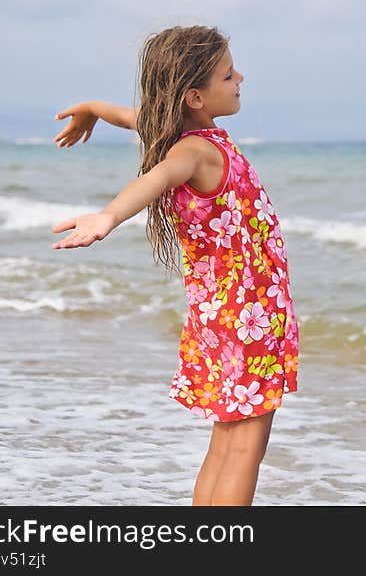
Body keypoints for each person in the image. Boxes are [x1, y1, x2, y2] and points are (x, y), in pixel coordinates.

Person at [49, 25, 299, 506]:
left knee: (226, 441)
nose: (240, 78)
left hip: (218, 316)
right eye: (228, 75)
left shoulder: (177, 129)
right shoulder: (194, 151)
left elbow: (131, 116)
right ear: (195, 97)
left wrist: (90, 109)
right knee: (246, 446)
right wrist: (109, 215)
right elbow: (156, 178)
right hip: (249, 318)